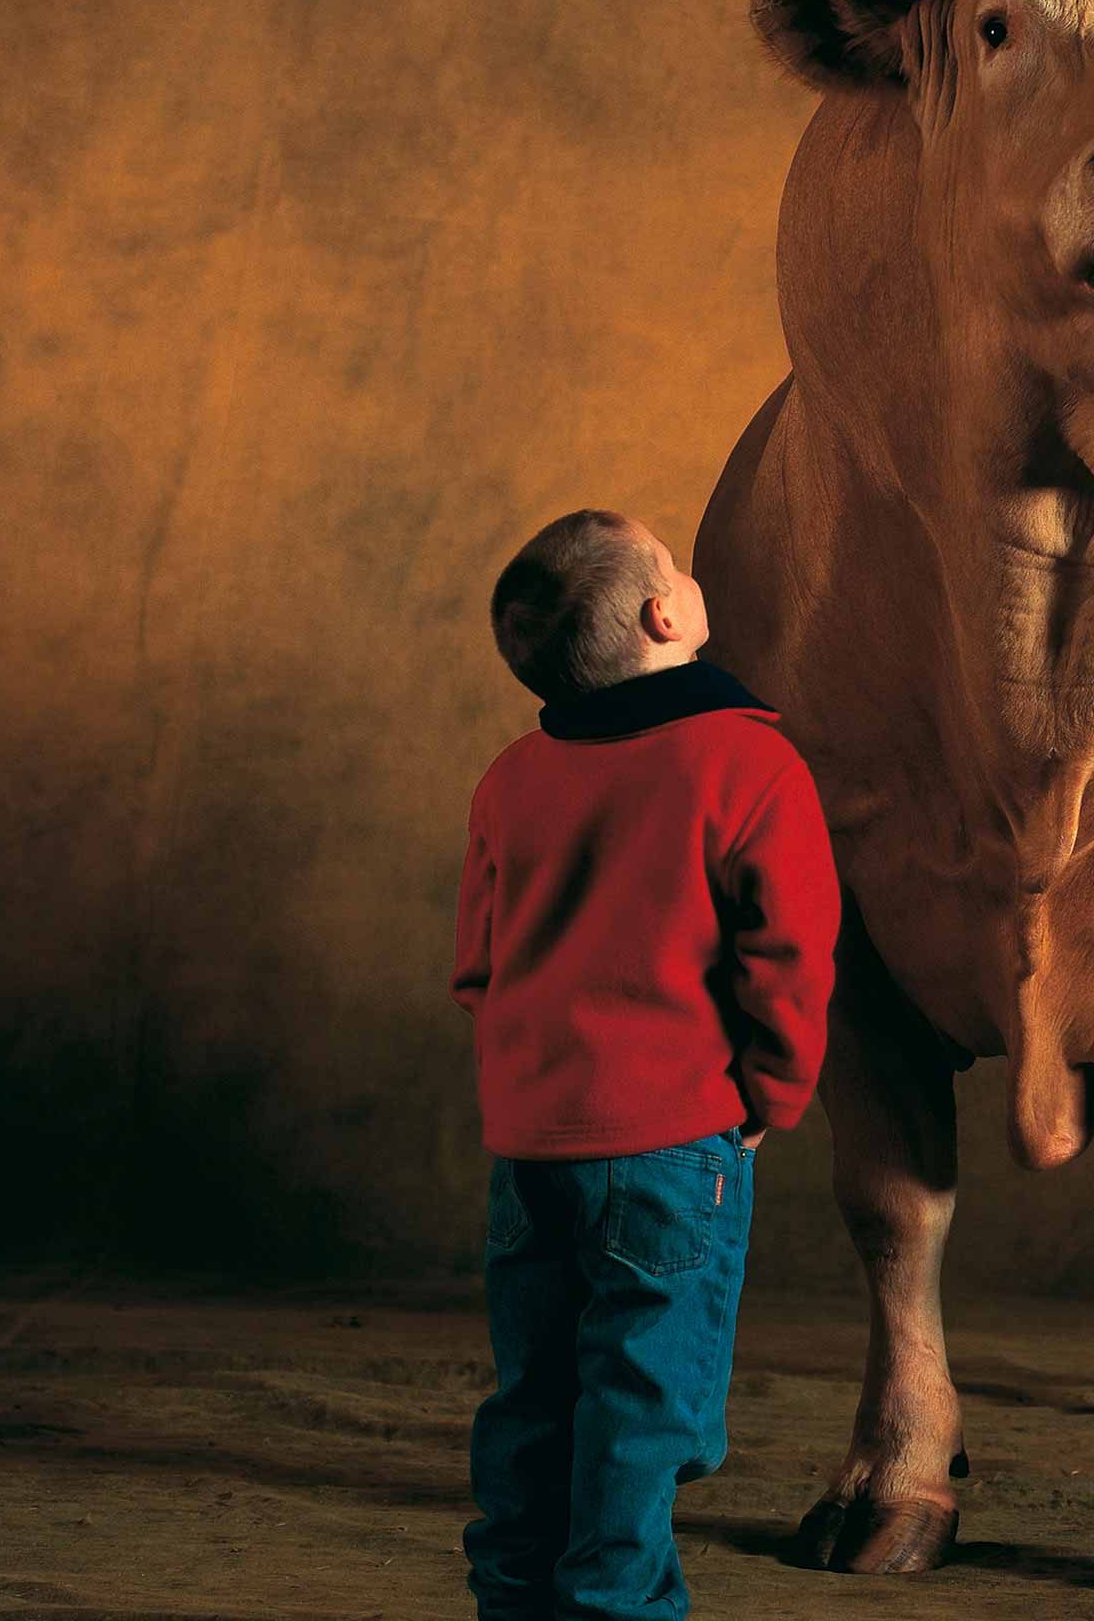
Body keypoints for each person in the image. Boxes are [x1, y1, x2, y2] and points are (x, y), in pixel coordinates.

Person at [452, 507, 839, 1621]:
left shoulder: (513, 772)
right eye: (671, 561)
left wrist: (525, 1079)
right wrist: (772, 1093)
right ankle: (615, 1608)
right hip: (671, 1145)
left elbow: (477, 965)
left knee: (534, 1393)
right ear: (667, 612)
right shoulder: (748, 759)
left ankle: (512, 1600)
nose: (685, 569)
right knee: (643, 1399)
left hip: (528, 1146)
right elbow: (792, 952)